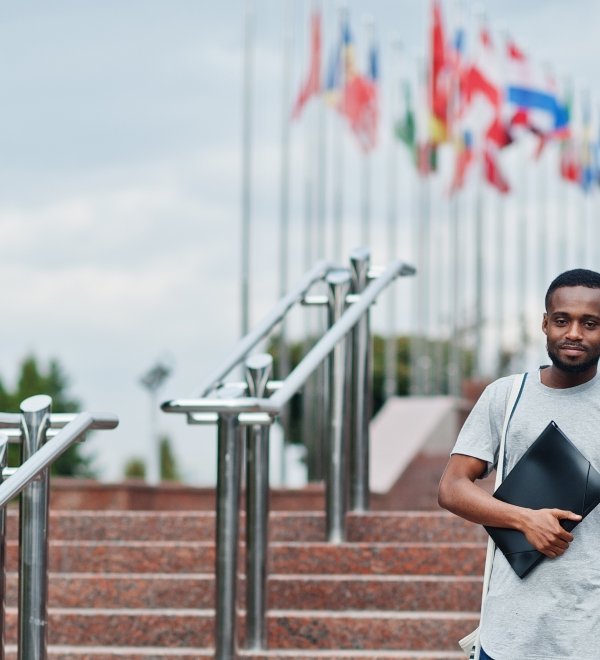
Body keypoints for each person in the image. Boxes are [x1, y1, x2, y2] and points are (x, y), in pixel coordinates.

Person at [438, 268, 600, 660]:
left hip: (589, 634)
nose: (574, 333)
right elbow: (452, 487)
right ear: (545, 324)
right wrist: (524, 520)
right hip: (510, 633)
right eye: (562, 320)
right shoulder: (506, 396)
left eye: (590, 323)